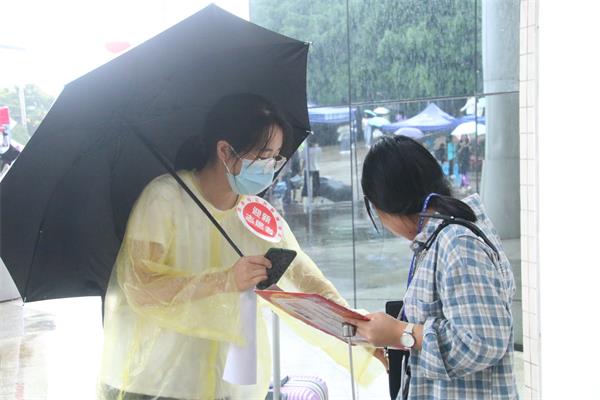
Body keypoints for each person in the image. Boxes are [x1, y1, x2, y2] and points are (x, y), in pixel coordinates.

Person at [98, 93, 380, 400]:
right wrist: (225, 280)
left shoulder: (254, 213)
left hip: (225, 384)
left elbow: (306, 282)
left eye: (276, 157)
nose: (270, 166)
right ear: (225, 151)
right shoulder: (164, 198)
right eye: (264, 156)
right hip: (154, 384)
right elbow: (140, 287)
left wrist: (358, 330)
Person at [346, 136, 518, 399]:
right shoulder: (440, 238)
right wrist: (392, 337)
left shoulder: (457, 243)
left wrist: (400, 333)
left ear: (387, 206)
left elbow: (483, 341)